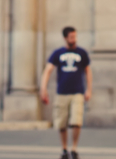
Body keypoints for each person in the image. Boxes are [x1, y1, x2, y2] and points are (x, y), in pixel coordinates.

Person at [40, 26, 93, 159]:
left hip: (77, 92)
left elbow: (88, 71)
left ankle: (74, 148)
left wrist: (89, 89)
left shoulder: (81, 53)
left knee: (77, 121)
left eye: (75, 36)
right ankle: (64, 149)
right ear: (65, 38)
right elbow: (48, 70)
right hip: (62, 92)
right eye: (71, 37)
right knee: (61, 123)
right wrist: (43, 89)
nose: (73, 39)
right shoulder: (58, 53)